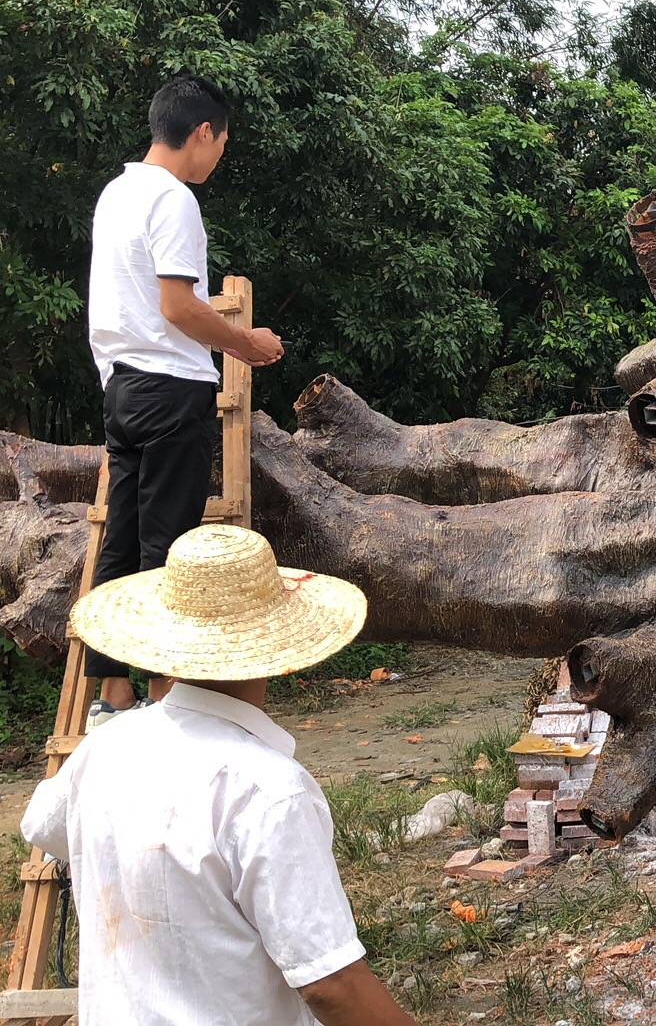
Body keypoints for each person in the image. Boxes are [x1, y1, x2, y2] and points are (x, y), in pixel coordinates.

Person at [21, 524, 414, 1026]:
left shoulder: (106, 746)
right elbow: (331, 985)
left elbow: (41, 826)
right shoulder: (267, 789)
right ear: (279, 646)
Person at [85, 75, 284, 728]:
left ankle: (110, 700)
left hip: (121, 386)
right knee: (169, 547)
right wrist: (245, 343)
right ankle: (170, 702)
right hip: (170, 387)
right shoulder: (172, 200)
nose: (216, 159)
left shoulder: (116, 195)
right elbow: (178, 308)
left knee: (123, 543)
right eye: (220, 145)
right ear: (202, 132)